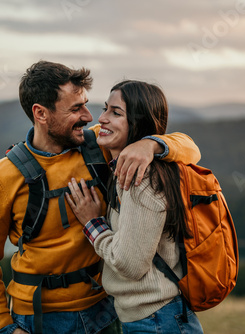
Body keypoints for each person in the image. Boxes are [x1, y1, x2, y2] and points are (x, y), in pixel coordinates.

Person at [0, 61, 201, 334]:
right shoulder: (1, 178)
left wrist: (151, 144)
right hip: (39, 318)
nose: (89, 117)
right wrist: (3, 327)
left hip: (104, 310)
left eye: (87, 104)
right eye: (75, 108)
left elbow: (190, 148)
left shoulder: (97, 145)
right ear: (41, 113)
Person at [65, 80, 204, 333]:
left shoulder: (141, 179)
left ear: (139, 123)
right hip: (151, 318)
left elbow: (130, 265)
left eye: (116, 113)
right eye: (106, 109)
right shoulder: (127, 167)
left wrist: (91, 223)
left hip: (157, 321)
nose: (101, 119)